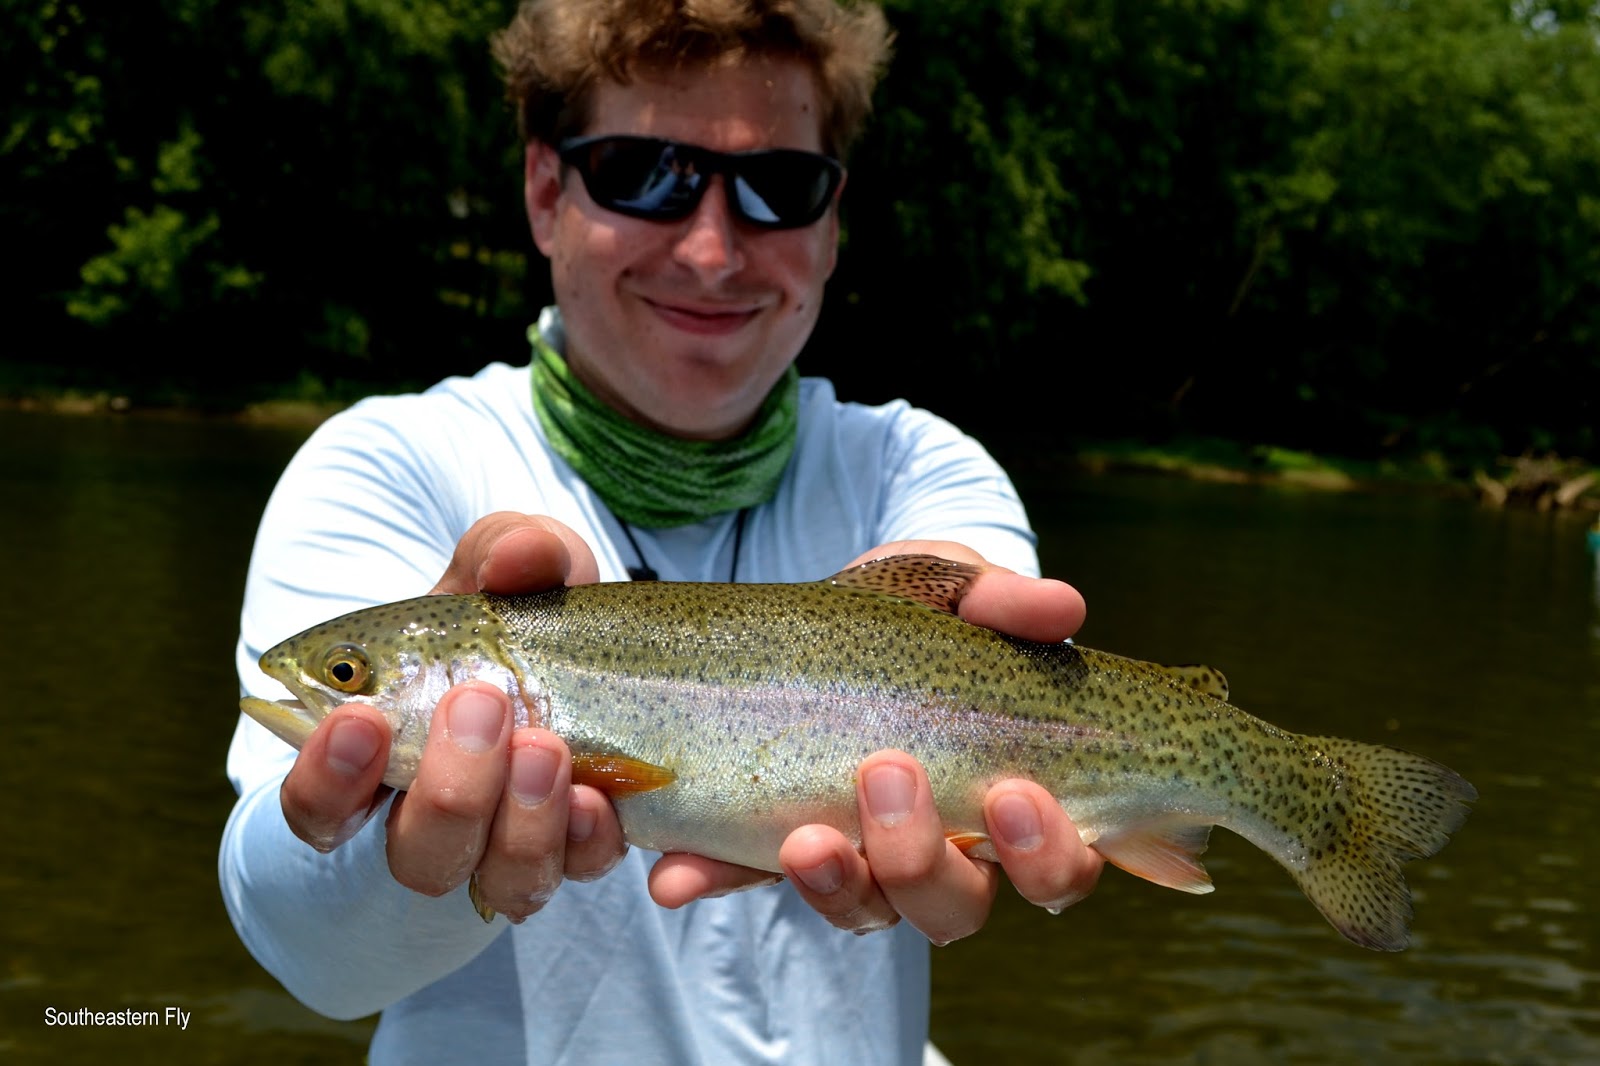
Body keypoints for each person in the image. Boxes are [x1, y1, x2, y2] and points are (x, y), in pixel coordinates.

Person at [220, 1, 1103, 1062]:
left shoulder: (920, 471)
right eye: (645, 172)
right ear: (546, 193)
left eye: (780, 187)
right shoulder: (387, 467)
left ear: (832, 223)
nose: (712, 249)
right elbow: (311, 955)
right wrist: (381, 852)